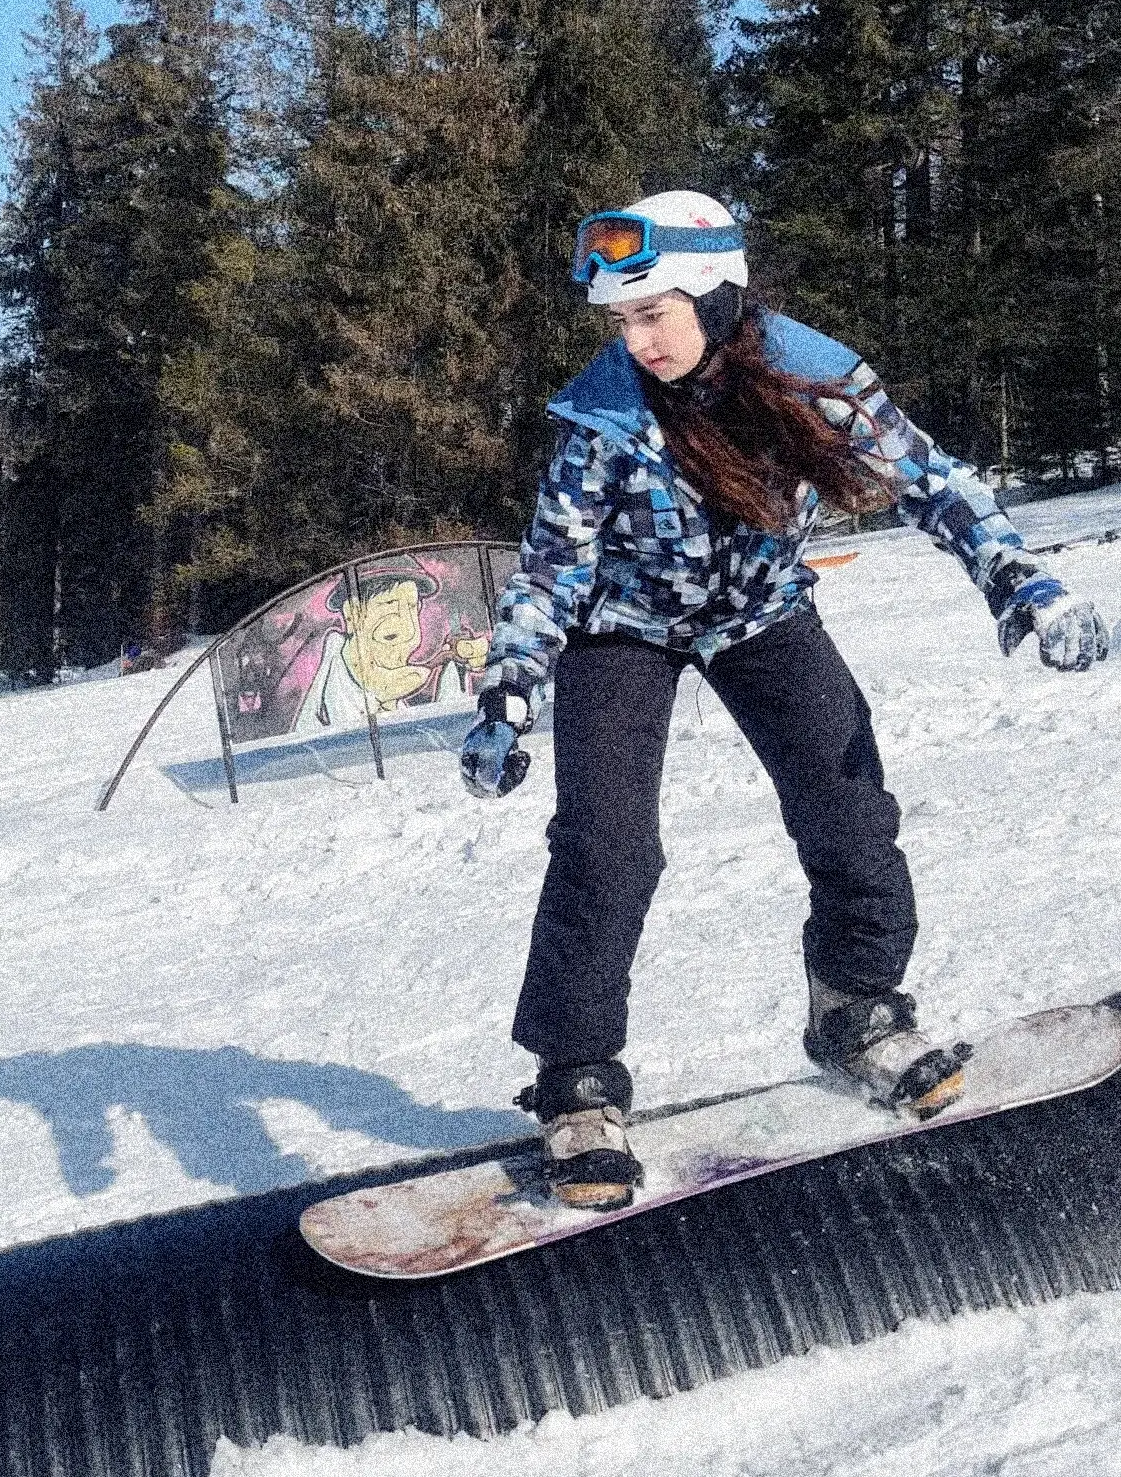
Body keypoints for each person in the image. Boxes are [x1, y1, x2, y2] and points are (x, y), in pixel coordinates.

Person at [459, 190, 1110, 1213]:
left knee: (849, 805)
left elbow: (930, 481)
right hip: (618, 626)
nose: (638, 340)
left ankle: (855, 1009)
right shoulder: (601, 416)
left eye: (654, 314)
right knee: (607, 844)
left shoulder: (815, 376)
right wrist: (507, 691)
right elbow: (550, 569)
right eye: (622, 321)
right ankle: (575, 1080)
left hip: (760, 613)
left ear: (717, 293)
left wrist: (1020, 581)